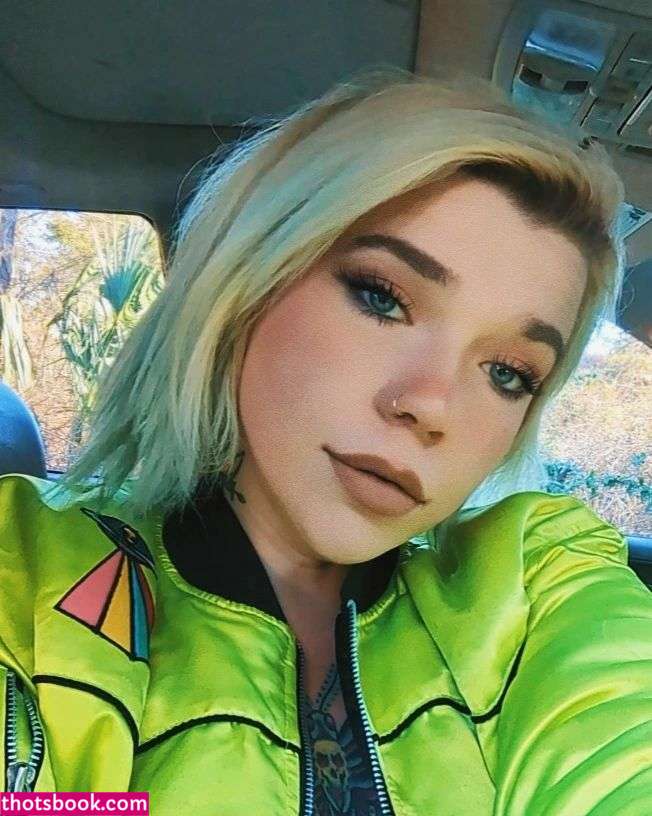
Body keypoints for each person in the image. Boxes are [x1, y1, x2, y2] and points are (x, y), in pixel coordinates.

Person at [1, 68, 651, 815]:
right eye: (383, 298)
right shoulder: (22, 560)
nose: (431, 407)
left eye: (508, 372)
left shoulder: (538, 583)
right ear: (249, 279)